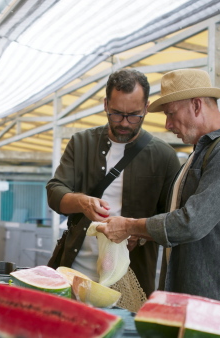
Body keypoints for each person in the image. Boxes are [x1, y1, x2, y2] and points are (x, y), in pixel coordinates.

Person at [96, 68, 220, 309]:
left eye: (171, 114)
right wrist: (139, 234)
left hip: (218, 301)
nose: (167, 124)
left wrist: (129, 226)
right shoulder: (202, 152)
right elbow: (179, 216)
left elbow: (191, 222)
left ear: (196, 105)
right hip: (192, 296)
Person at [46, 68, 180, 311]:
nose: (124, 123)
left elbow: (172, 221)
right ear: (106, 103)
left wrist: (138, 234)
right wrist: (82, 202)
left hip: (131, 282)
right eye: (116, 113)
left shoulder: (164, 156)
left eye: (134, 115)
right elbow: (55, 193)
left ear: (146, 107)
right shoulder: (81, 142)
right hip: (74, 276)